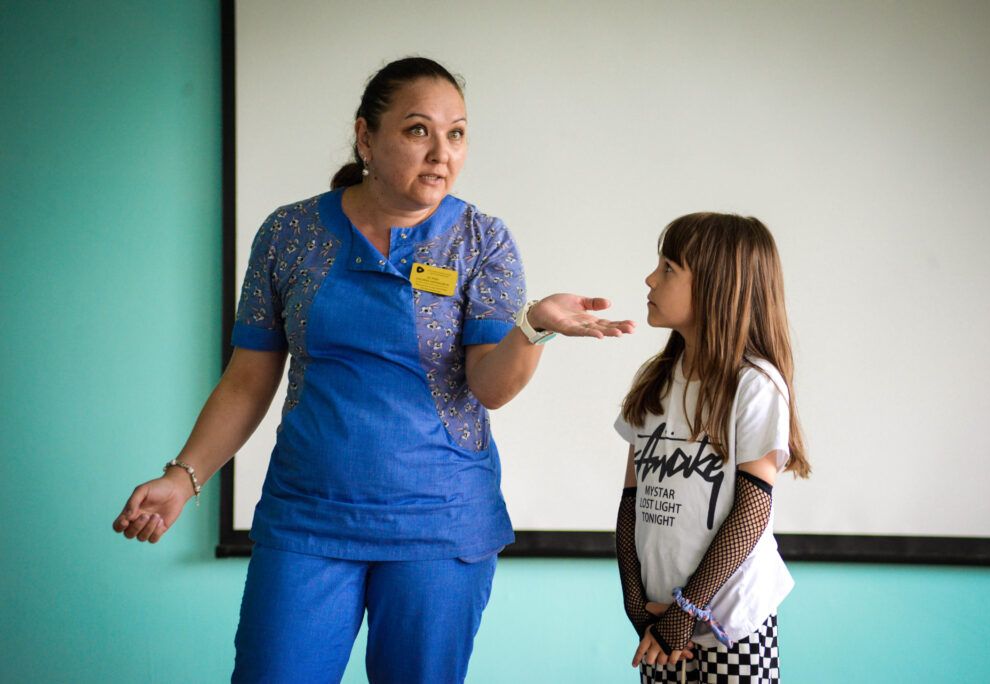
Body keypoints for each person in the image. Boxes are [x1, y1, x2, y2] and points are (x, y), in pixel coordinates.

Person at [112, 56, 635, 683]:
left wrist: (534, 326)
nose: (442, 152)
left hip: (439, 525)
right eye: (419, 130)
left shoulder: (482, 241)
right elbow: (248, 379)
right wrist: (183, 477)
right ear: (366, 136)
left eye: (457, 133)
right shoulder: (289, 232)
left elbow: (490, 387)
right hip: (308, 518)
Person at [613, 213, 811, 683]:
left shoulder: (755, 384)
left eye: (667, 268)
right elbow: (630, 503)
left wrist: (685, 613)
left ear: (714, 286)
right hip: (662, 627)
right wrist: (638, 607)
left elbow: (750, 514)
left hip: (730, 625)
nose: (650, 278)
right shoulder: (657, 381)